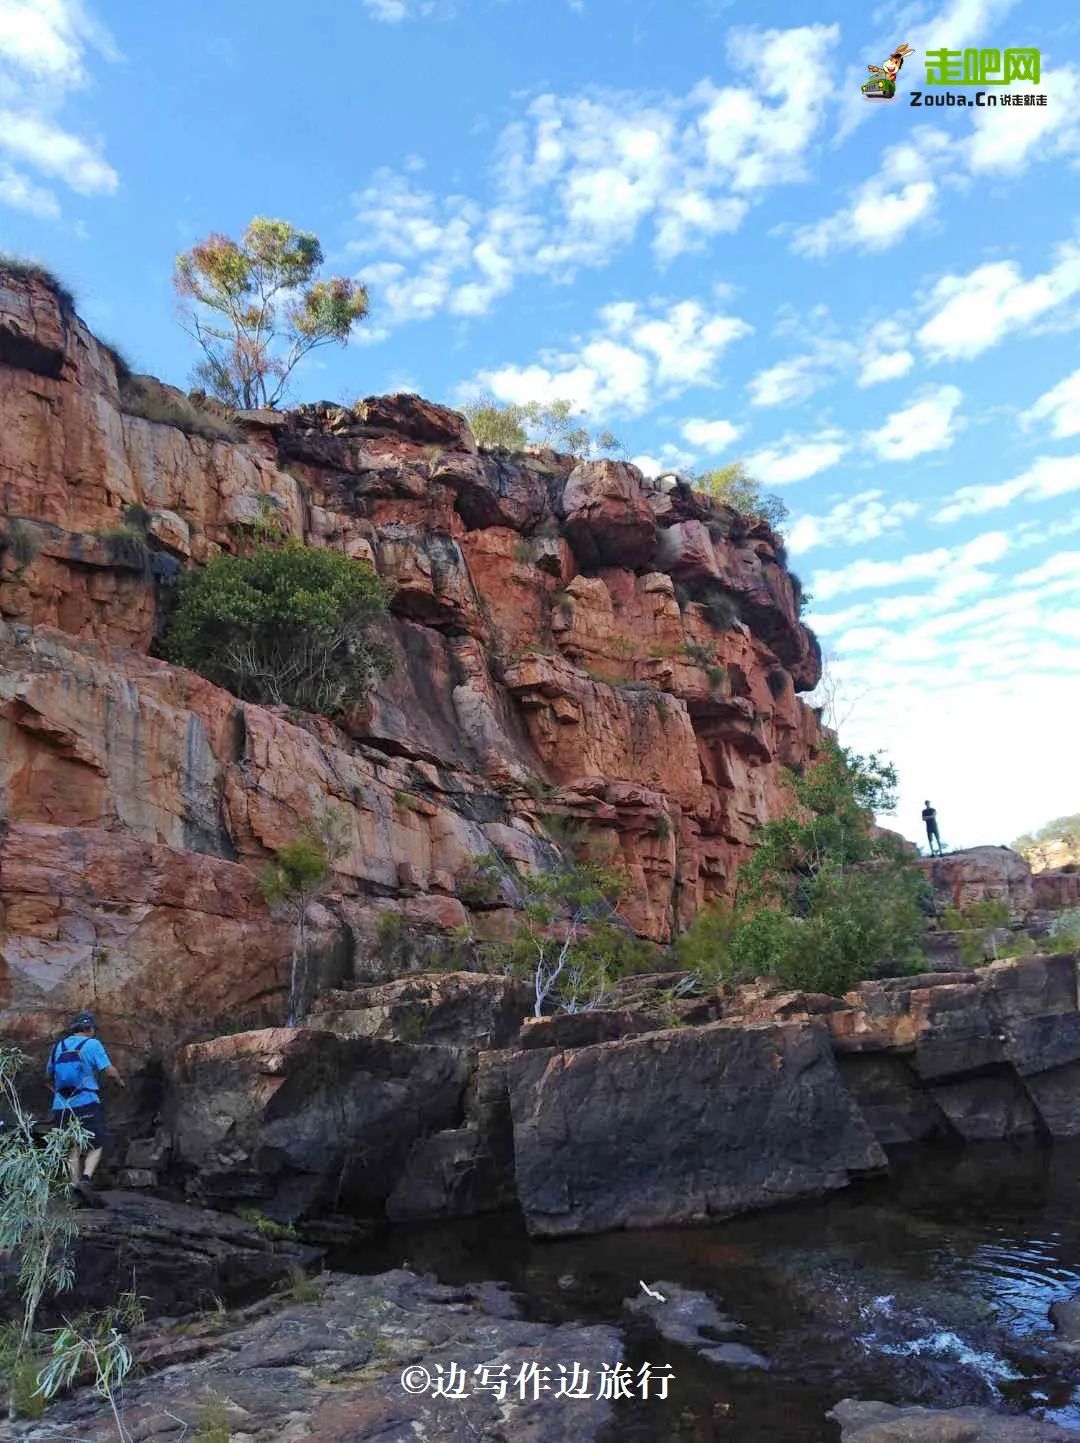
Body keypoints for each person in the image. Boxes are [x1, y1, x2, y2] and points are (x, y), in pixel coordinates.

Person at [46, 1011, 125, 1207]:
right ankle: (86, 1179)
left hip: (61, 1105)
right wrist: (120, 1083)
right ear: (90, 1029)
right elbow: (109, 1070)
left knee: (72, 1145)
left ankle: (74, 1186)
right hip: (86, 1101)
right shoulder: (93, 1044)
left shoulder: (58, 1047)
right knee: (97, 1142)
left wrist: (58, 1094)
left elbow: (47, 1077)